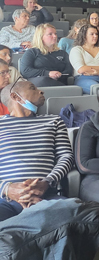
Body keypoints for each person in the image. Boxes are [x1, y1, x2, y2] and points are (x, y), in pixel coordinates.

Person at [0, 81, 73, 222]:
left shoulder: (54, 121)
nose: (41, 91)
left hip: (46, 197)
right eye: (33, 88)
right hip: (4, 200)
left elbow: (66, 156)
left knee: (78, 215)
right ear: (15, 97)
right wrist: (7, 189)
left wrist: (47, 182)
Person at [70, 24, 99, 94]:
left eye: (96, 34)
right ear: (84, 36)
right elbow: (81, 69)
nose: (95, 36)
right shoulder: (76, 50)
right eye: (92, 34)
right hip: (84, 79)